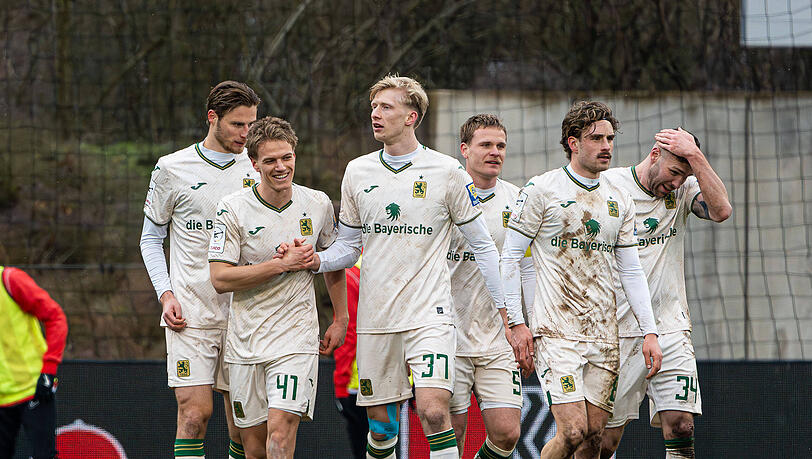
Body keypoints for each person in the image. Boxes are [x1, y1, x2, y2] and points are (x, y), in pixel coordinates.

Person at [304, 75, 528, 459]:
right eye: (373, 107)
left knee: (433, 410)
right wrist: (315, 259)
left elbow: (484, 248)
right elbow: (347, 246)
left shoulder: (446, 172)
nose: (375, 114)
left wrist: (510, 315)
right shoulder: (357, 171)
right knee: (381, 428)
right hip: (376, 318)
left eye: (385, 107)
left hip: (431, 316)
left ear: (412, 116)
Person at [500, 100, 663, 459]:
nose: (606, 146)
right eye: (596, 138)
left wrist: (649, 331)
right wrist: (516, 322)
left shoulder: (619, 198)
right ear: (573, 143)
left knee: (594, 440)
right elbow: (510, 258)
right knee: (572, 431)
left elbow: (631, 271)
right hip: (556, 331)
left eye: (609, 138)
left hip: (604, 335)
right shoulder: (541, 190)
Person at [208, 116, 348, 459]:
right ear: (254, 163)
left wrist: (340, 318)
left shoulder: (317, 204)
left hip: (296, 339)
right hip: (246, 342)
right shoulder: (233, 208)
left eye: (287, 157)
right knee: (253, 449)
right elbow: (220, 278)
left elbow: (332, 262)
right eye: (270, 160)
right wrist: (279, 265)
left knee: (280, 435)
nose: (280, 166)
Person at [139, 80, 260, 459]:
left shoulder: (260, 166)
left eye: (251, 125)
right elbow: (150, 239)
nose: (246, 134)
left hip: (246, 314)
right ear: (213, 118)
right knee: (194, 414)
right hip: (190, 314)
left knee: (244, 426)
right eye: (238, 124)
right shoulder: (172, 168)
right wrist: (166, 293)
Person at [599, 128, 731, 459]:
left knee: (682, 425)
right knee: (603, 441)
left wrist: (696, 159)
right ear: (655, 155)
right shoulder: (610, 186)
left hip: (671, 326)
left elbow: (721, 210)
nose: (676, 182)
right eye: (674, 172)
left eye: (683, 176)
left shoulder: (684, 191)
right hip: (619, 331)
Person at [446, 114, 534, 459]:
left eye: (500, 146)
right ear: (465, 150)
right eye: (486, 145)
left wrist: (527, 326)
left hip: (499, 335)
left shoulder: (518, 200)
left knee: (508, 433)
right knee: (450, 435)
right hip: (448, 332)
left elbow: (526, 268)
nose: (495, 152)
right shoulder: (445, 197)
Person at [0, 266, 68, 459]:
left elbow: (56, 317)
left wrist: (48, 370)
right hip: (2, 398)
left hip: (34, 389)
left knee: (44, 455)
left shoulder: (10, 280)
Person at [333, 256, 368, 459]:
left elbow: (349, 331)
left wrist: (340, 382)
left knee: (365, 447)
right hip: (402, 374)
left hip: (358, 380)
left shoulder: (350, 272)